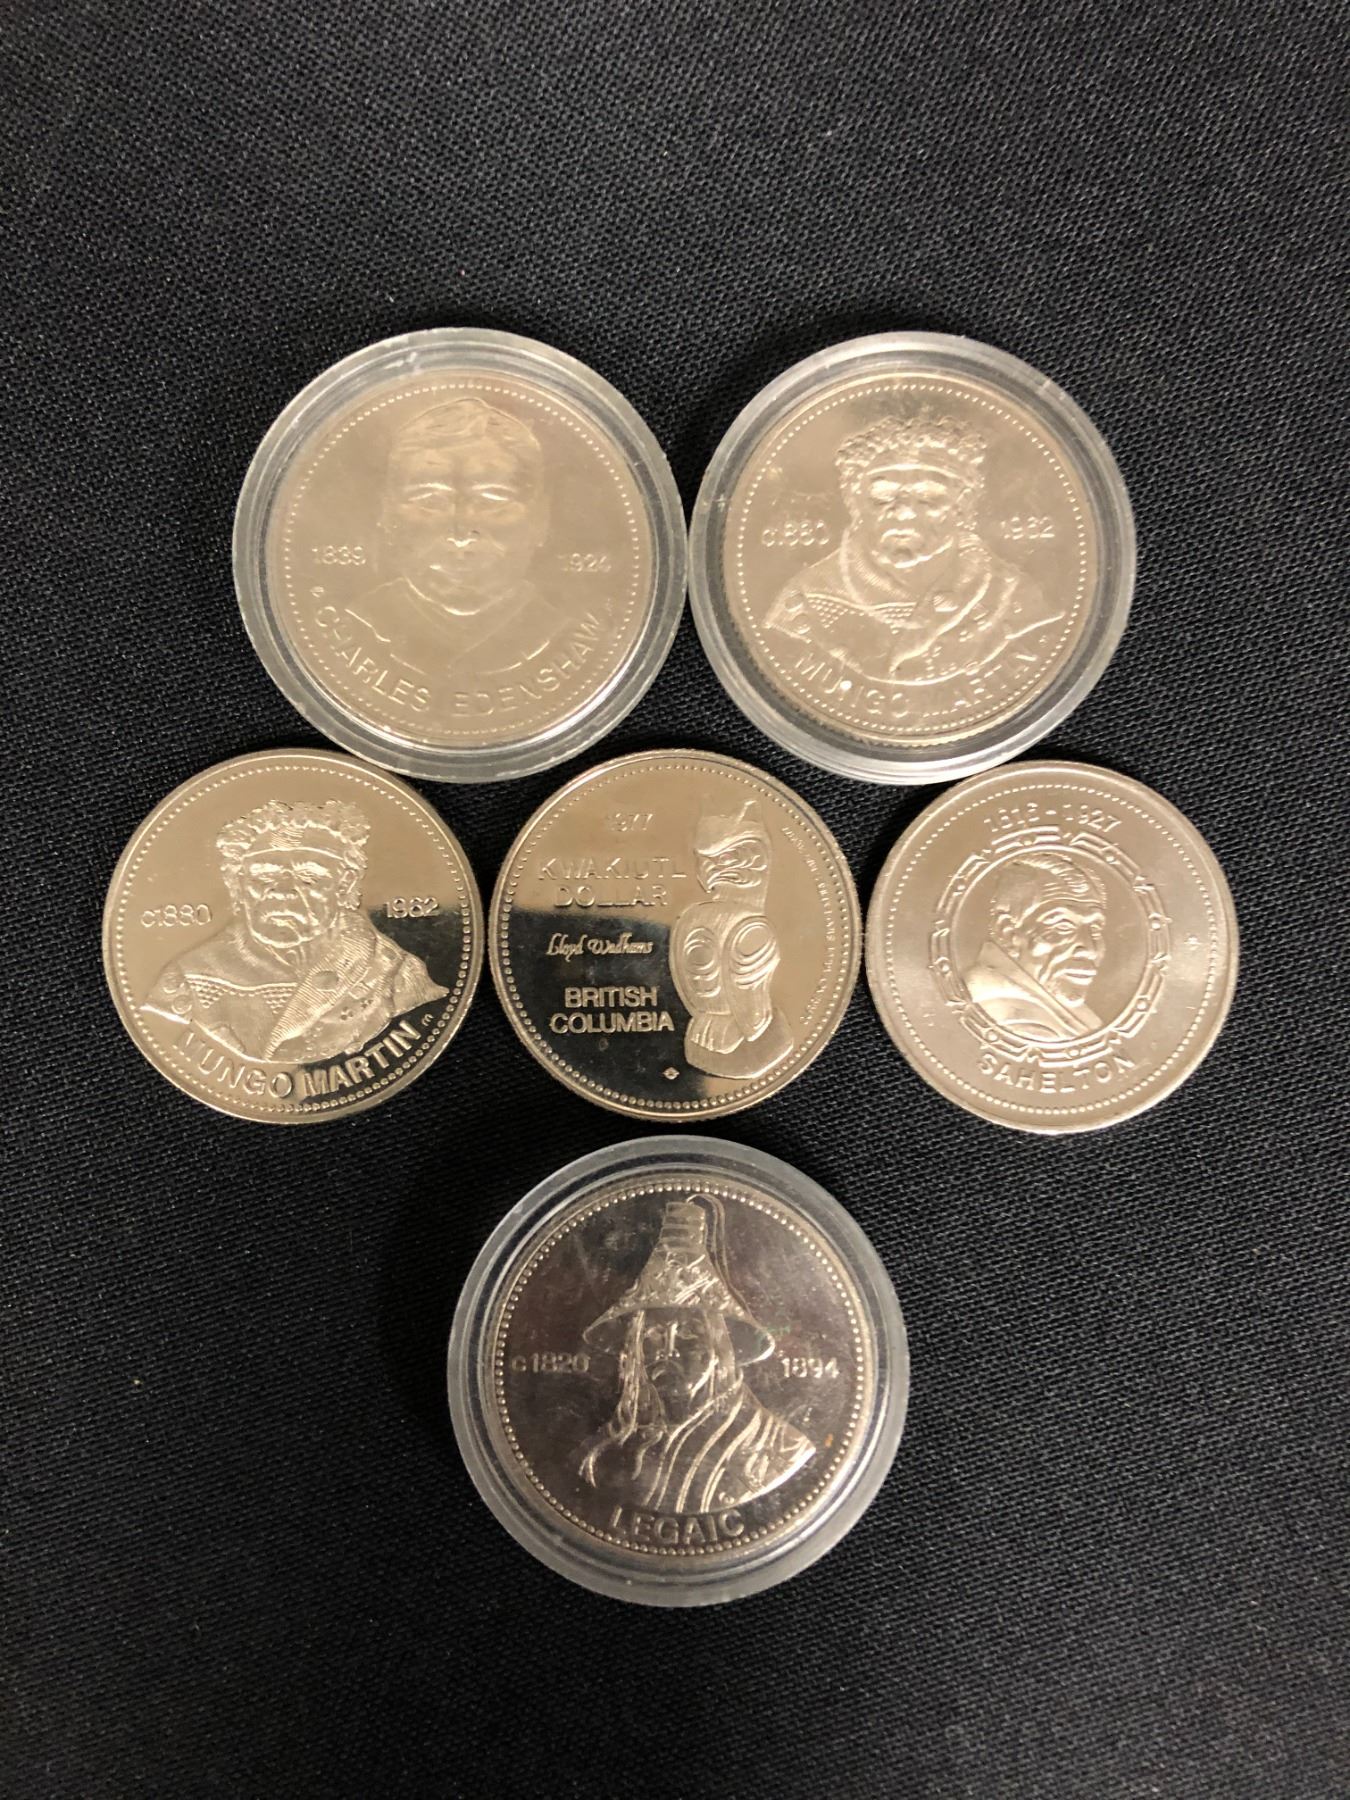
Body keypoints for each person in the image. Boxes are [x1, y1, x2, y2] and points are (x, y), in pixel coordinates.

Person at [766, 409, 1061, 688]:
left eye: (929, 495)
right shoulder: (806, 599)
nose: (904, 510)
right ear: (854, 501)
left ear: (963, 503)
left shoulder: (1011, 594)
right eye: (883, 494)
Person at [143, 799, 445, 1063]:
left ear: (345, 884)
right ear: (238, 885)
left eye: (309, 877)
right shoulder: (188, 979)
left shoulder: (395, 972)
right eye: (264, 876)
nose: (284, 891)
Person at [578, 1196, 815, 1515]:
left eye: (688, 1333)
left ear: (718, 1346)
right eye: (653, 1334)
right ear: (635, 1349)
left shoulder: (778, 1448)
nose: (668, 1348)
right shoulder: (605, 1453)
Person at [347, 395, 591, 681]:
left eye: (491, 502)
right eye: (430, 501)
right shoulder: (362, 622)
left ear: (540, 518)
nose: (461, 534)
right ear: (388, 514)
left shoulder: (556, 629)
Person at [670, 801, 792, 1080]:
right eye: (706, 861)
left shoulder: (696, 919)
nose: (709, 870)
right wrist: (746, 1026)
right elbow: (751, 1004)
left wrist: (725, 1023)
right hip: (733, 1035)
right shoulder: (746, 925)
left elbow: (747, 999)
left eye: (727, 858)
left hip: (725, 1037)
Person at [963, 851, 1108, 1041]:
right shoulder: (1012, 1024)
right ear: (1008, 933)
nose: (1090, 949)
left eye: (1095, 929)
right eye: (1063, 926)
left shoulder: (1063, 1019)